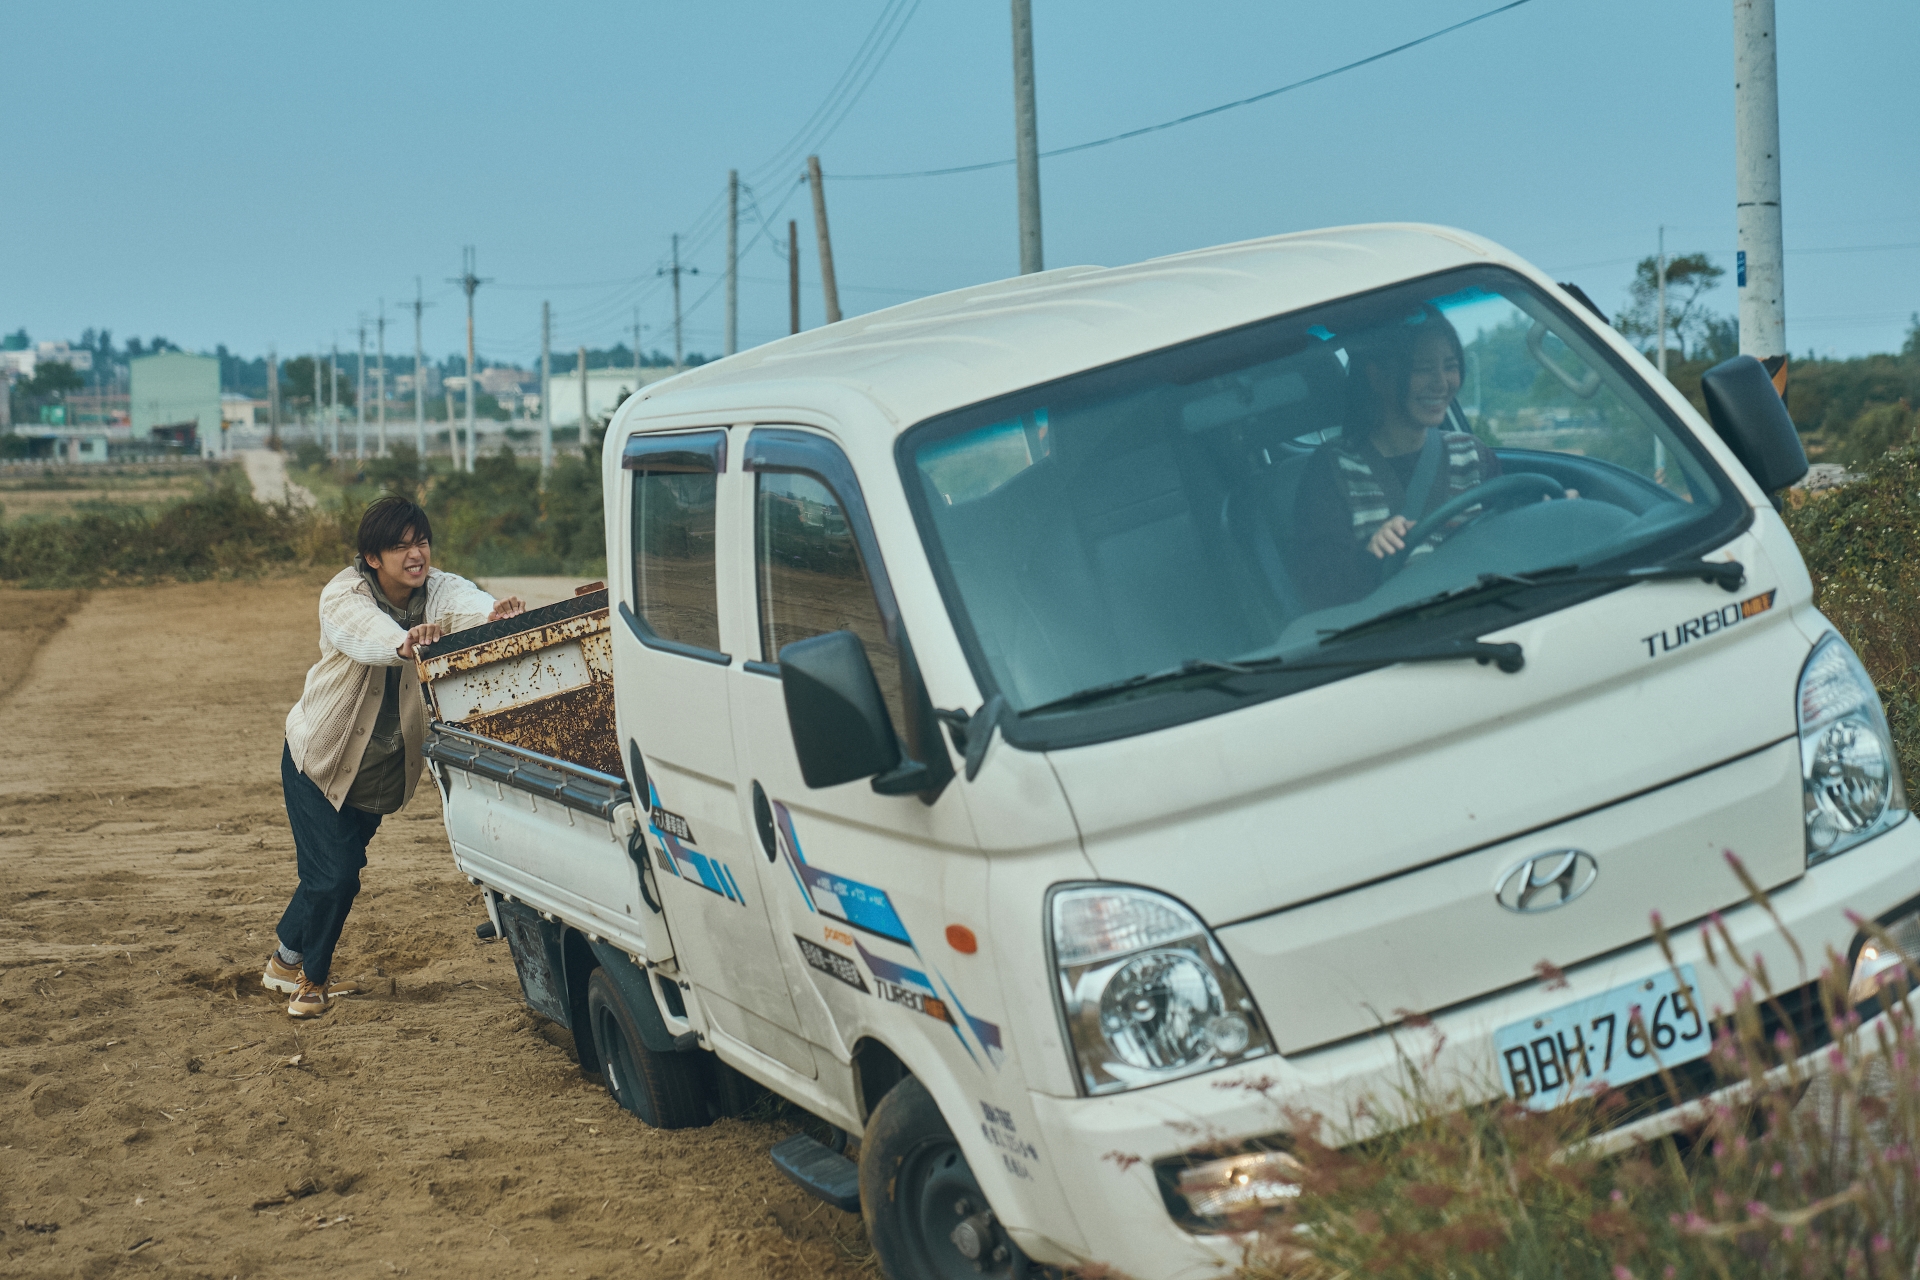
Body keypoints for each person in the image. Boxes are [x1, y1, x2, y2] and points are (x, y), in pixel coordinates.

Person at [262, 495, 524, 1018]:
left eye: (421, 542)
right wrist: (406, 642)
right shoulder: (344, 594)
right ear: (372, 557)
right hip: (318, 762)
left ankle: (282, 961)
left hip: (379, 777)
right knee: (336, 876)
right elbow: (364, 633)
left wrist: (493, 615)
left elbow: (466, 604)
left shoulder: (438, 590)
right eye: (399, 546)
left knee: (333, 871)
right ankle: (311, 981)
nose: (415, 554)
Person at [1290, 306, 1503, 611]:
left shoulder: (1474, 454)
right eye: (1423, 368)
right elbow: (1320, 590)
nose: (1442, 382)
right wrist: (1372, 555)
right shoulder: (1332, 471)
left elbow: (1510, 538)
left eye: (1450, 366)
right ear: (1378, 377)